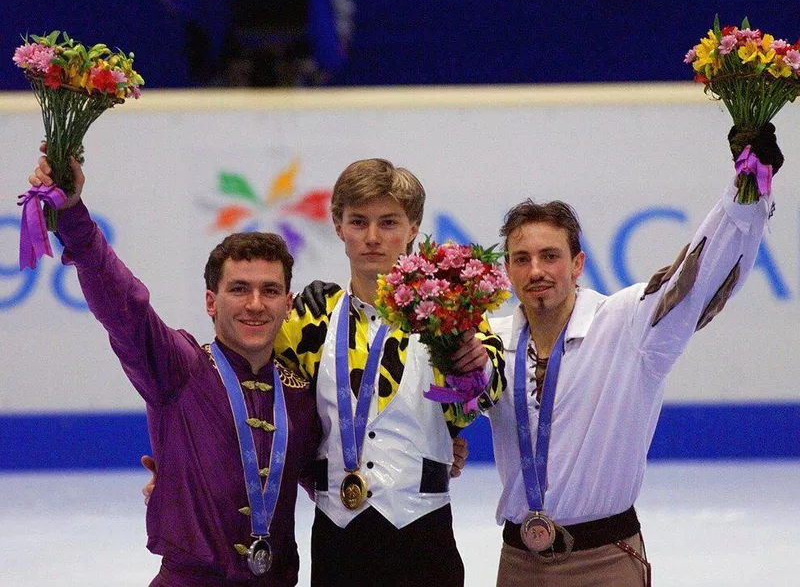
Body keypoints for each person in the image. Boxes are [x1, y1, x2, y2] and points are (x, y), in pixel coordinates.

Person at [484, 125, 784, 586]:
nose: (536, 270)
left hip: (605, 563)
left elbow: (697, 277)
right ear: (506, 270)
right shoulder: (491, 341)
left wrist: (746, 192)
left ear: (578, 263)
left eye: (550, 255)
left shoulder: (627, 324)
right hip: (517, 563)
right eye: (521, 259)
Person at [27, 145, 320, 585]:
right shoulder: (179, 370)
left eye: (270, 290)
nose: (255, 304)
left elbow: (339, 482)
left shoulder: (300, 391)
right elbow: (124, 304)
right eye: (239, 289)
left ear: (288, 304)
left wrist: (439, 446)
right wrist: (72, 214)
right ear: (210, 302)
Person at [274, 158, 506, 586]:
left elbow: (485, 397)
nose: (373, 238)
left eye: (389, 222)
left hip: (423, 535)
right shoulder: (306, 321)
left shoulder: (451, 315)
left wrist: (471, 371)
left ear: (414, 227)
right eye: (358, 222)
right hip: (335, 538)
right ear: (338, 226)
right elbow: (269, 413)